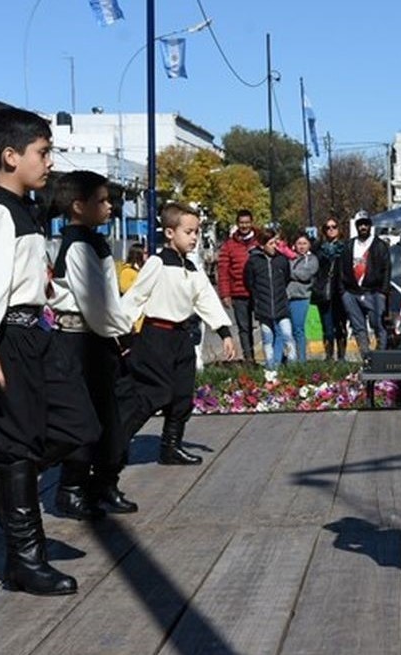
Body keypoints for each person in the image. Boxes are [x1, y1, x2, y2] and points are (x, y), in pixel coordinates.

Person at [0, 107, 94, 596]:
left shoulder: (23, 210)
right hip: (1, 338)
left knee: (79, 423)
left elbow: (14, 275)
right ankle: (25, 561)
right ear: (11, 156)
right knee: (15, 445)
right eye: (42, 152)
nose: (49, 162)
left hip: (34, 333)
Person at [48, 171, 138, 519]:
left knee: (109, 414)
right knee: (82, 417)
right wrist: (123, 333)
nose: (109, 206)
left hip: (96, 339)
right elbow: (96, 304)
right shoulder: (78, 246)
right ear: (78, 206)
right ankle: (71, 489)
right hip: (78, 341)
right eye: (101, 200)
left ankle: (104, 483)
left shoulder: (92, 242)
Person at [119, 202, 236, 465]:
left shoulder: (192, 268)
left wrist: (224, 332)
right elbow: (136, 297)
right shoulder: (157, 263)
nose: (194, 237)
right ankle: (116, 442)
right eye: (188, 232)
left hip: (181, 337)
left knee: (182, 394)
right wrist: (121, 333)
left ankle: (170, 446)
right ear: (170, 233)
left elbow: (206, 299)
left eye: (197, 232)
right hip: (156, 336)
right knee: (153, 393)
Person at [338, 212, 391, 357]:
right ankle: (366, 358)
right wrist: (343, 292)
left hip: (374, 292)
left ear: (370, 225)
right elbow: (341, 268)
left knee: (378, 324)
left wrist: (383, 292)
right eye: (360, 224)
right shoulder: (349, 245)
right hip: (351, 292)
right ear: (356, 226)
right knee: (358, 328)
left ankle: (381, 357)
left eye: (366, 224)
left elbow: (387, 269)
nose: (363, 227)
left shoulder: (379, 245)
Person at [243, 228, 294, 372]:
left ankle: (293, 367)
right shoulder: (253, 261)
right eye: (271, 243)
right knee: (267, 339)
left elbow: (286, 278)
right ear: (262, 245)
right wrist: (258, 297)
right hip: (263, 306)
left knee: (287, 336)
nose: (274, 246)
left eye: (275, 243)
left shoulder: (281, 260)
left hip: (281, 305)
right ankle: (271, 368)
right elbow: (249, 282)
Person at [217, 209, 259, 362]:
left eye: (247, 222)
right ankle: (249, 359)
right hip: (239, 293)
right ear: (237, 224)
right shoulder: (229, 245)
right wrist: (225, 294)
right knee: (244, 328)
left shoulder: (260, 241)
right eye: (241, 223)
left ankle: (272, 359)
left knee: (266, 326)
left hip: (259, 292)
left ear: (251, 223)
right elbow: (223, 271)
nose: (244, 226)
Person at [313, 215, 349, 361]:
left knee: (341, 326)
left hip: (340, 292)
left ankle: (341, 357)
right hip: (324, 292)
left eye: (334, 227)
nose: (331, 230)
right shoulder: (318, 248)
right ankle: (329, 357)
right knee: (327, 328)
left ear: (339, 229)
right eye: (327, 227)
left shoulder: (345, 248)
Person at [286, 234, 318, 363]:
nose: (302, 246)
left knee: (298, 329)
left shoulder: (312, 259)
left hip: (301, 297)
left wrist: (289, 272)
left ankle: (301, 360)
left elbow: (305, 275)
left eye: (304, 243)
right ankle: (290, 359)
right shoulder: (289, 257)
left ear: (309, 245)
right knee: (286, 331)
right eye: (299, 243)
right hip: (286, 297)